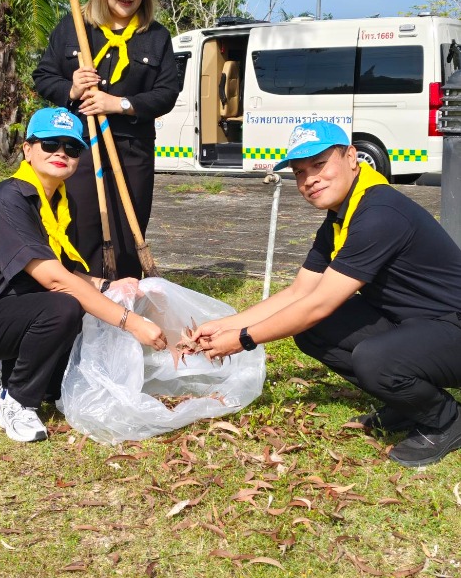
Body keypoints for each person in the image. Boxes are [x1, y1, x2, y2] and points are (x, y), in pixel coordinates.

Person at [193, 120, 461, 468]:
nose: (310, 179)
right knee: (313, 329)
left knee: (374, 359)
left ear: (351, 157)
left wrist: (243, 339)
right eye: (300, 172)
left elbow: (319, 303)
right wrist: (226, 325)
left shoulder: (379, 214)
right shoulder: (341, 215)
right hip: (419, 325)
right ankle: (408, 403)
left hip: (452, 328)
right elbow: (300, 292)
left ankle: (446, 420)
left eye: (319, 164)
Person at [0, 107, 168, 443]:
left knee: (55, 388)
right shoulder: (10, 200)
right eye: (50, 144)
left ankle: (8, 367)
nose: (61, 153)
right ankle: (16, 402)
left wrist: (111, 285)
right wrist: (132, 323)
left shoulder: (60, 202)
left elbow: (66, 269)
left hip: (25, 307)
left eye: (72, 147)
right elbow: (55, 279)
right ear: (27, 150)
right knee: (65, 307)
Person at [33, 0, 179, 279]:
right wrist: (71, 88)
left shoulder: (156, 37)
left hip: (132, 148)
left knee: (128, 231)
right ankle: (79, 297)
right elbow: (43, 77)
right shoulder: (74, 27)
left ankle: (124, 299)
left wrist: (120, 104)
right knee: (80, 225)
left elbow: (167, 93)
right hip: (80, 147)